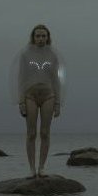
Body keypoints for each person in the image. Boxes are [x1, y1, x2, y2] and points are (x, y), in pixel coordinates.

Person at [14, 24, 65, 177]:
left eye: (44, 36)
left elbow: (56, 80)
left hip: (49, 95)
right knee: (31, 133)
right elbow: (21, 78)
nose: (41, 38)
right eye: (38, 36)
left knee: (45, 133)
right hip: (30, 95)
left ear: (47, 37)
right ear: (33, 37)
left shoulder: (53, 55)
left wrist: (58, 103)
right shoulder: (25, 55)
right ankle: (31, 169)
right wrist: (21, 102)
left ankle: (42, 167)